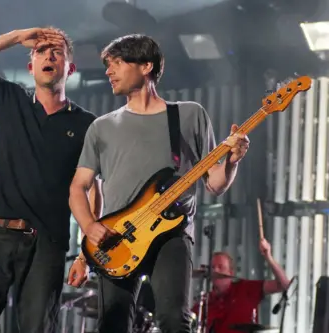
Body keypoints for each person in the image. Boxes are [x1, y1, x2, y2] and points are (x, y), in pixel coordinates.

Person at [68, 34, 250, 333]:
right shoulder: (101, 127)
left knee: (174, 321)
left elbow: (215, 184)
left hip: (171, 235)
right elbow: (78, 187)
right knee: (112, 324)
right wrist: (88, 226)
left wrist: (232, 161)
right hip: (116, 237)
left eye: (116, 63)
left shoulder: (190, 114)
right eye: (107, 66)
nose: (108, 72)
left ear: (145, 66)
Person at [0, 27, 97, 333]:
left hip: (47, 244)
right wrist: (17, 37)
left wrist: (86, 253)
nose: (49, 55)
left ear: (69, 68)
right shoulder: (10, 99)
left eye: (57, 52)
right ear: (30, 67)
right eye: (41, 51)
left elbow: (90, 188)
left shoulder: (87, 124)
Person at [191, 238, 290, 333]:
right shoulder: (204, 304)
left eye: (220, 267)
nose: (215, 271)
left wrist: (268, 257)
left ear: (231, 272)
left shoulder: (245, 288)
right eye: (213, 267)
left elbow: (283, 285)